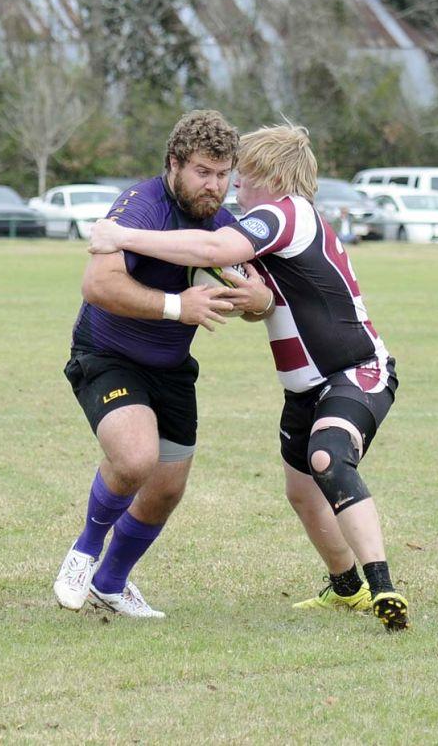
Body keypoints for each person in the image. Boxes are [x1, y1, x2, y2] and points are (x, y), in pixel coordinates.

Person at [89, 123, 410, 631]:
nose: (235, 188)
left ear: (272, 176)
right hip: (305, 385)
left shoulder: (285, 212)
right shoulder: (274, 222)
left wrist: (121, 235)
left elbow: (214, 252)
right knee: (302, 491)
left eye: (243, 177)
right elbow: (246, 284)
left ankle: (383, 587)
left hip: (352, 372)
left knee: (328, 456)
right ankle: (346, 587)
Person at [53, 110, 273, 618]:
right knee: (135, 459)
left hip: (171, 367)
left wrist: (253, 300)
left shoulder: (220, 225)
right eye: (202, 171)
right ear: (174, 163)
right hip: (108, 355)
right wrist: (179, 306)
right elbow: (98, 285)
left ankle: (110, 582)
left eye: (223, 174)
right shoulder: (141, 205)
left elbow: (261, 302)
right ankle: (84, 551)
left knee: (167, 488)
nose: (213, 185)